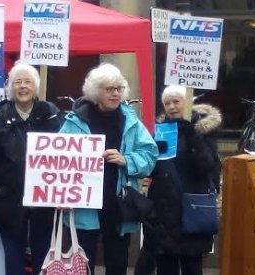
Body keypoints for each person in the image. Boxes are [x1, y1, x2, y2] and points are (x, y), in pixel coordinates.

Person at [58, 63, 158, 275]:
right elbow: (57, 160)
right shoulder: (74, 121)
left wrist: (127, 160)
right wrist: (59, 194)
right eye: (109, 89)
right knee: (83, 266)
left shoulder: (130, 119)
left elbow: (150, 154)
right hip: (84, 205)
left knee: (117, 264)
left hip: (118, 204)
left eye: (119, 88)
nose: (115, 93)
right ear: (96, 91)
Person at [0, 63, 62, 275]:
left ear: (35, 87)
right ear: (10, 88)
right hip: (10, 204)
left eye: (27, 82)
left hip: (44, 203)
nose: (23, 86)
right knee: (13, 262)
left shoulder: (51, 115)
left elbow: (65, 156)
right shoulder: (0, 119)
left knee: (44, 262)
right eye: (18, 82)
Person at [143, 85, 221, 275]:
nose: (171, 107)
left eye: (176, 101)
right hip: (164, 211)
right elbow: (151, 169)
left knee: (192, 267)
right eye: (167, 103)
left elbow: (206, 166)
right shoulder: (160, 132)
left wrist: (192, 134)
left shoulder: (202, 131)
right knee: (165, 268)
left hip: (192, 211)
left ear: (187, 103)